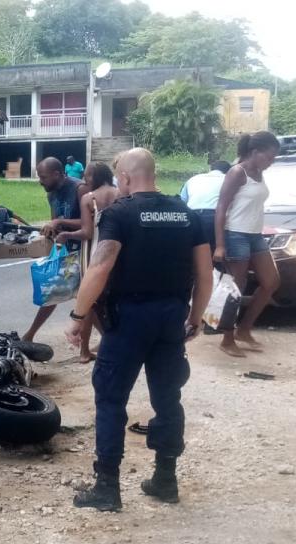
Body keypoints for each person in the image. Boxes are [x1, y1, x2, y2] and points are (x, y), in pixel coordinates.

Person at [66, 148, 214, 512]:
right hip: (170, 317)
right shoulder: (187, 214)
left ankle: (107, 488)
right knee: (167, 397)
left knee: (111, 399)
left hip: (129, 320)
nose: (118, 182)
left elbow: (99, 268)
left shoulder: (121, 213)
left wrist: (78, 315)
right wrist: (195, 317)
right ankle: (165, 479)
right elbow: (205, 274)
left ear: (128, 177)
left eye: (119, 176)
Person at [213, 132, 280, 358]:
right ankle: (227, 338)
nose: (271, 163)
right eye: (269, 157)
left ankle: (244, 329)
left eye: (273, 159)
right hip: (236, 235)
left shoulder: (259, 173)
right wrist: (220, 244)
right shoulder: (236, 172)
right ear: (255, 152)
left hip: (255, 234)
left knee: (271, 282)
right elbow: (221, 207)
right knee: (236, 288)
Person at [52, 162, 118, 363]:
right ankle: (117, 343)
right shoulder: (121, 194)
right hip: (118, 253)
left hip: (94, 255)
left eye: (87, 176)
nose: (85, 180)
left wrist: (65, 234)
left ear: (95, 177)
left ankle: (84, 351)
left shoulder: (89, 199)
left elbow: (87, 232)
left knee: (89, 303)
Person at [21, 157, 89, 342]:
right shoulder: (51, 194)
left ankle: (95, 345)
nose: (40, 181)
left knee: (88, 299)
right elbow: (56, 223)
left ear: (57, 174)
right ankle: (30, 334)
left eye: (43, 177)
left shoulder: (79, 188)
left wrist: (58, 222)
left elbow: (89, 224)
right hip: (67, 251)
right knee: (54, 291)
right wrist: (50, 231)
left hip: (85, 251)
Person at [180, 160, 232, 251]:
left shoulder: (193, 179)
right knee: (215, 251)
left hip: (192, 216)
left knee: (195, 249)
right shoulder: (228, 179)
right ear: (229, 172)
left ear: (210, 169)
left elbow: (182, 201)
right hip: (215, 217)